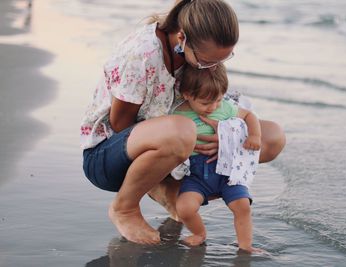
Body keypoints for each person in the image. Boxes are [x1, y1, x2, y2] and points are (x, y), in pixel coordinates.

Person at [80, 0, 285, 245]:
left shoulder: (197, 54)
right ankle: (125, 207)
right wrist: (186, 143)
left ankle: (166, 186)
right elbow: (120, 125)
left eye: (223, 59)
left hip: (179, 152)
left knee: (271, 136)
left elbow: (224, 108)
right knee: (182, 130)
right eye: (207, 62)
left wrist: (226, 138)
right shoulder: (142, 54)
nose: (214, 68)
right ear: (182, 38)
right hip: (108, 158)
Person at [174, 64, 262, 253]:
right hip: (196, 176)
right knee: (184, 208)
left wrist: (254, 136)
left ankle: (245, 245)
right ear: (187, 94)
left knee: (242, 205)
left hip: (227, 174)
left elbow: (249, 115)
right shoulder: (176, 113)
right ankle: (199, 233)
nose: (213, 107)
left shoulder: (226, 107)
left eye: (218, 100)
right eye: (206, 103)